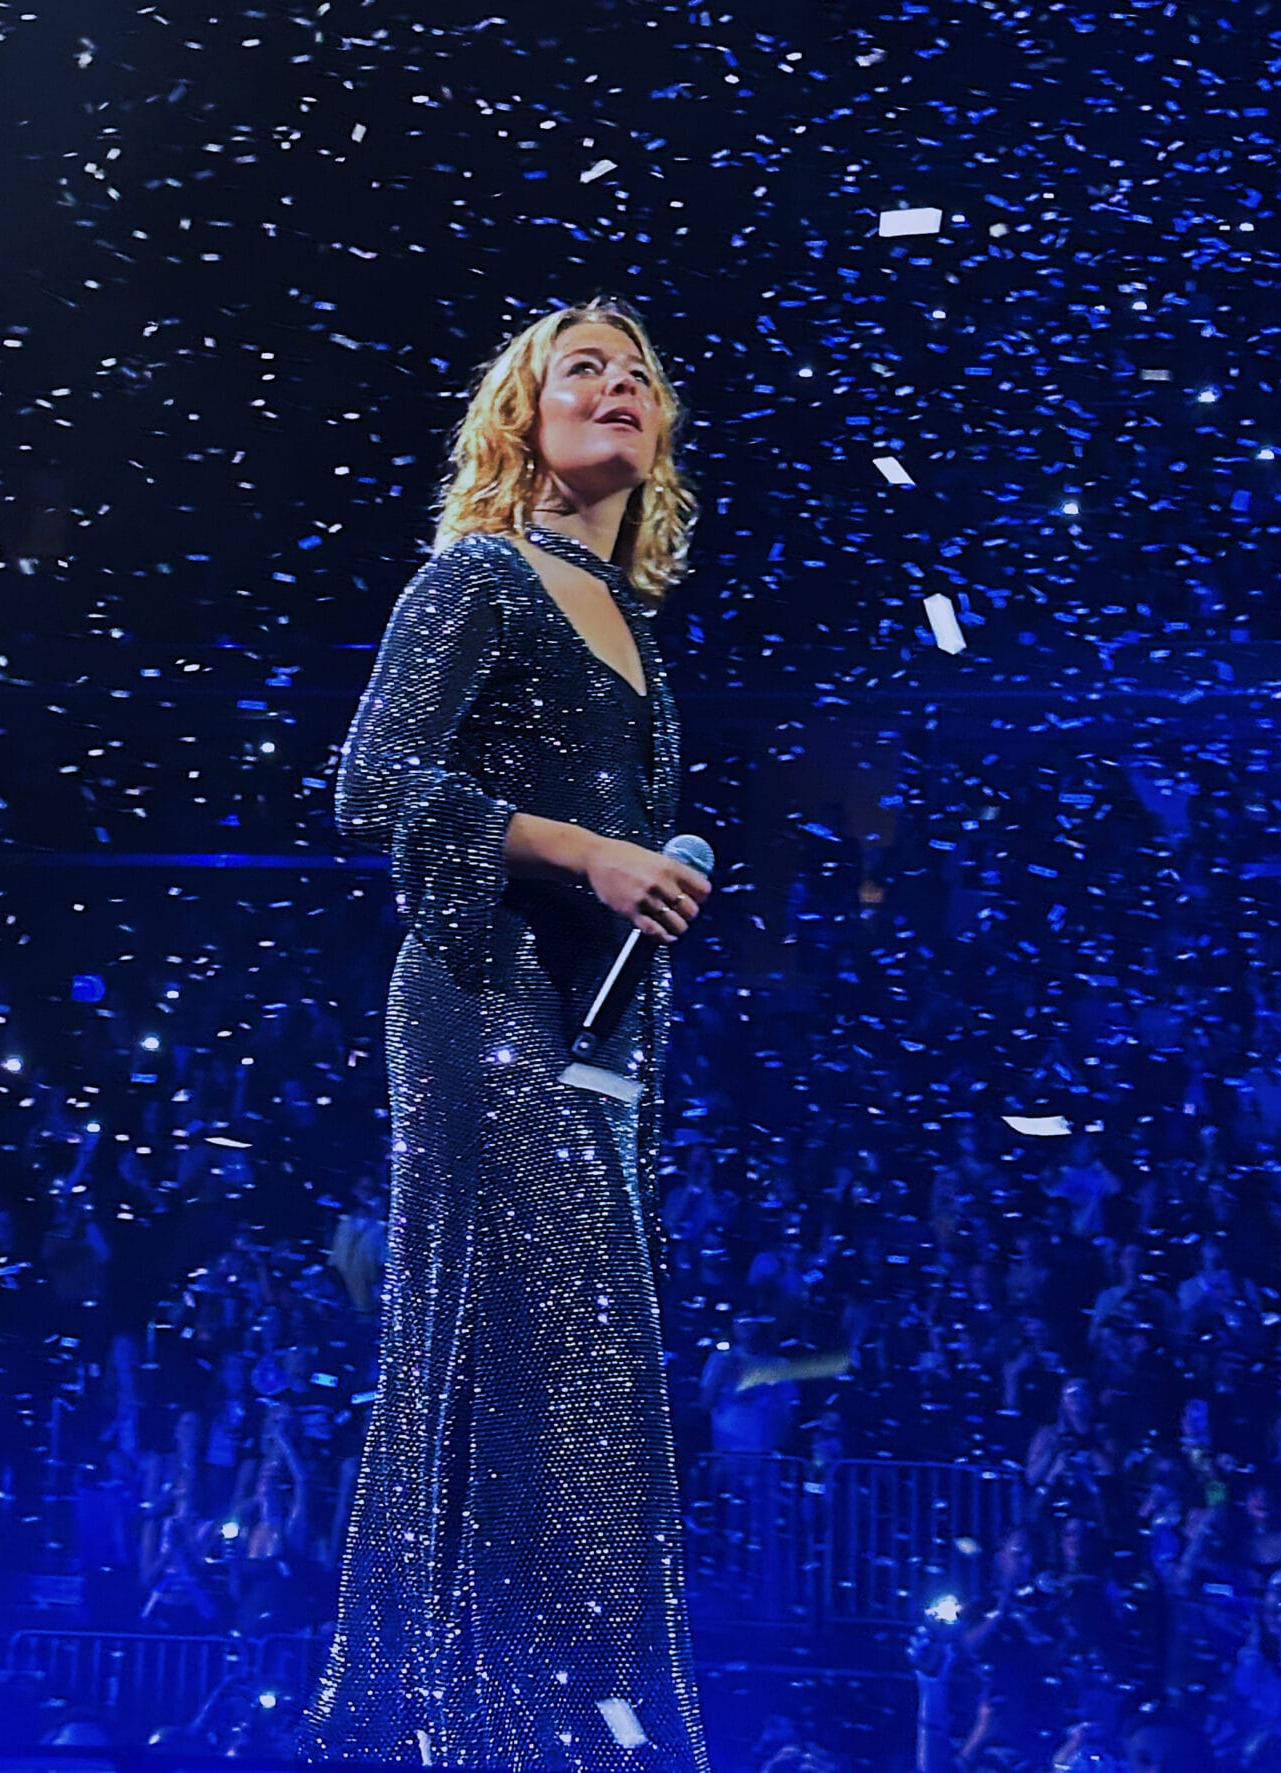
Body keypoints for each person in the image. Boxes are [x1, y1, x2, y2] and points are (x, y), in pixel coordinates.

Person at [295, 297, 711, 1771]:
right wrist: (585, 848)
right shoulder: (484, 574)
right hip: (481, 1004)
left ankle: (559, 1725)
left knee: (588, 1371)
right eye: (580, 369)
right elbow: (370, 782)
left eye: (638, 374)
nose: (616, 386)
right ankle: (475, 1730)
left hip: (592, 1044)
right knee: (531, 1361)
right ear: (520, 420)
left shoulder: (642, 635)